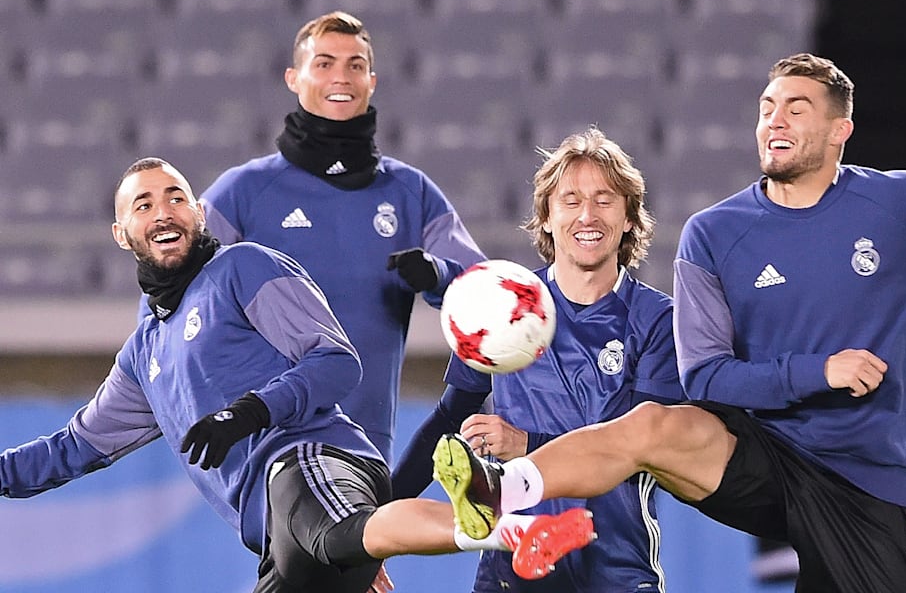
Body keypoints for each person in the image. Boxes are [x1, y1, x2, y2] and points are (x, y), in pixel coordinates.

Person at [430, 52, 906, 593]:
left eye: (797, 109)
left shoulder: (903, 207)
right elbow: (707, 378)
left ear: (838, 130)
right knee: (651, 424)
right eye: (767, 107)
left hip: (859, 477)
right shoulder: (716, 234)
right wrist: (816, 371)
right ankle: (498, 492)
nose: (776, 119)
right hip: (756, 453)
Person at [0, 158, 595, 593]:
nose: (164, 211)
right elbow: (73, 448)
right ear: (122, 234)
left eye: (176, 196)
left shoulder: (241, 267)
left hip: (312, 457)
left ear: (198, 211)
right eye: (144, 204)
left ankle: (506, 528)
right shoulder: (143, 354)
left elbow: (336, 361)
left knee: (337, 536)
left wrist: (250, 412)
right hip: (279, 542)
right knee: (333, 547)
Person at [392, 128, 687, 590]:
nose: (587, 215)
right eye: (570, 200)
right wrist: (371, 528)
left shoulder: (657, 320)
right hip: (512, 566)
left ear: (629, 217)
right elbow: (448, 417)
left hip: (614, 567)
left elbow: (645, 453)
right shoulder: (502, 302)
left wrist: (526, 444)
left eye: (605, 199)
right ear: (546, 218)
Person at [198, 11, 486, 462]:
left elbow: (485, 296)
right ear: (294, 78)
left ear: (372, 80)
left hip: (369, 440)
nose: (342, 77)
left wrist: (438, 274)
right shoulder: (241, 192)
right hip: (268, 435)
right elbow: (176, 301)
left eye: (355, 66)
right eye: (325, 63)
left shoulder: (411, 192)